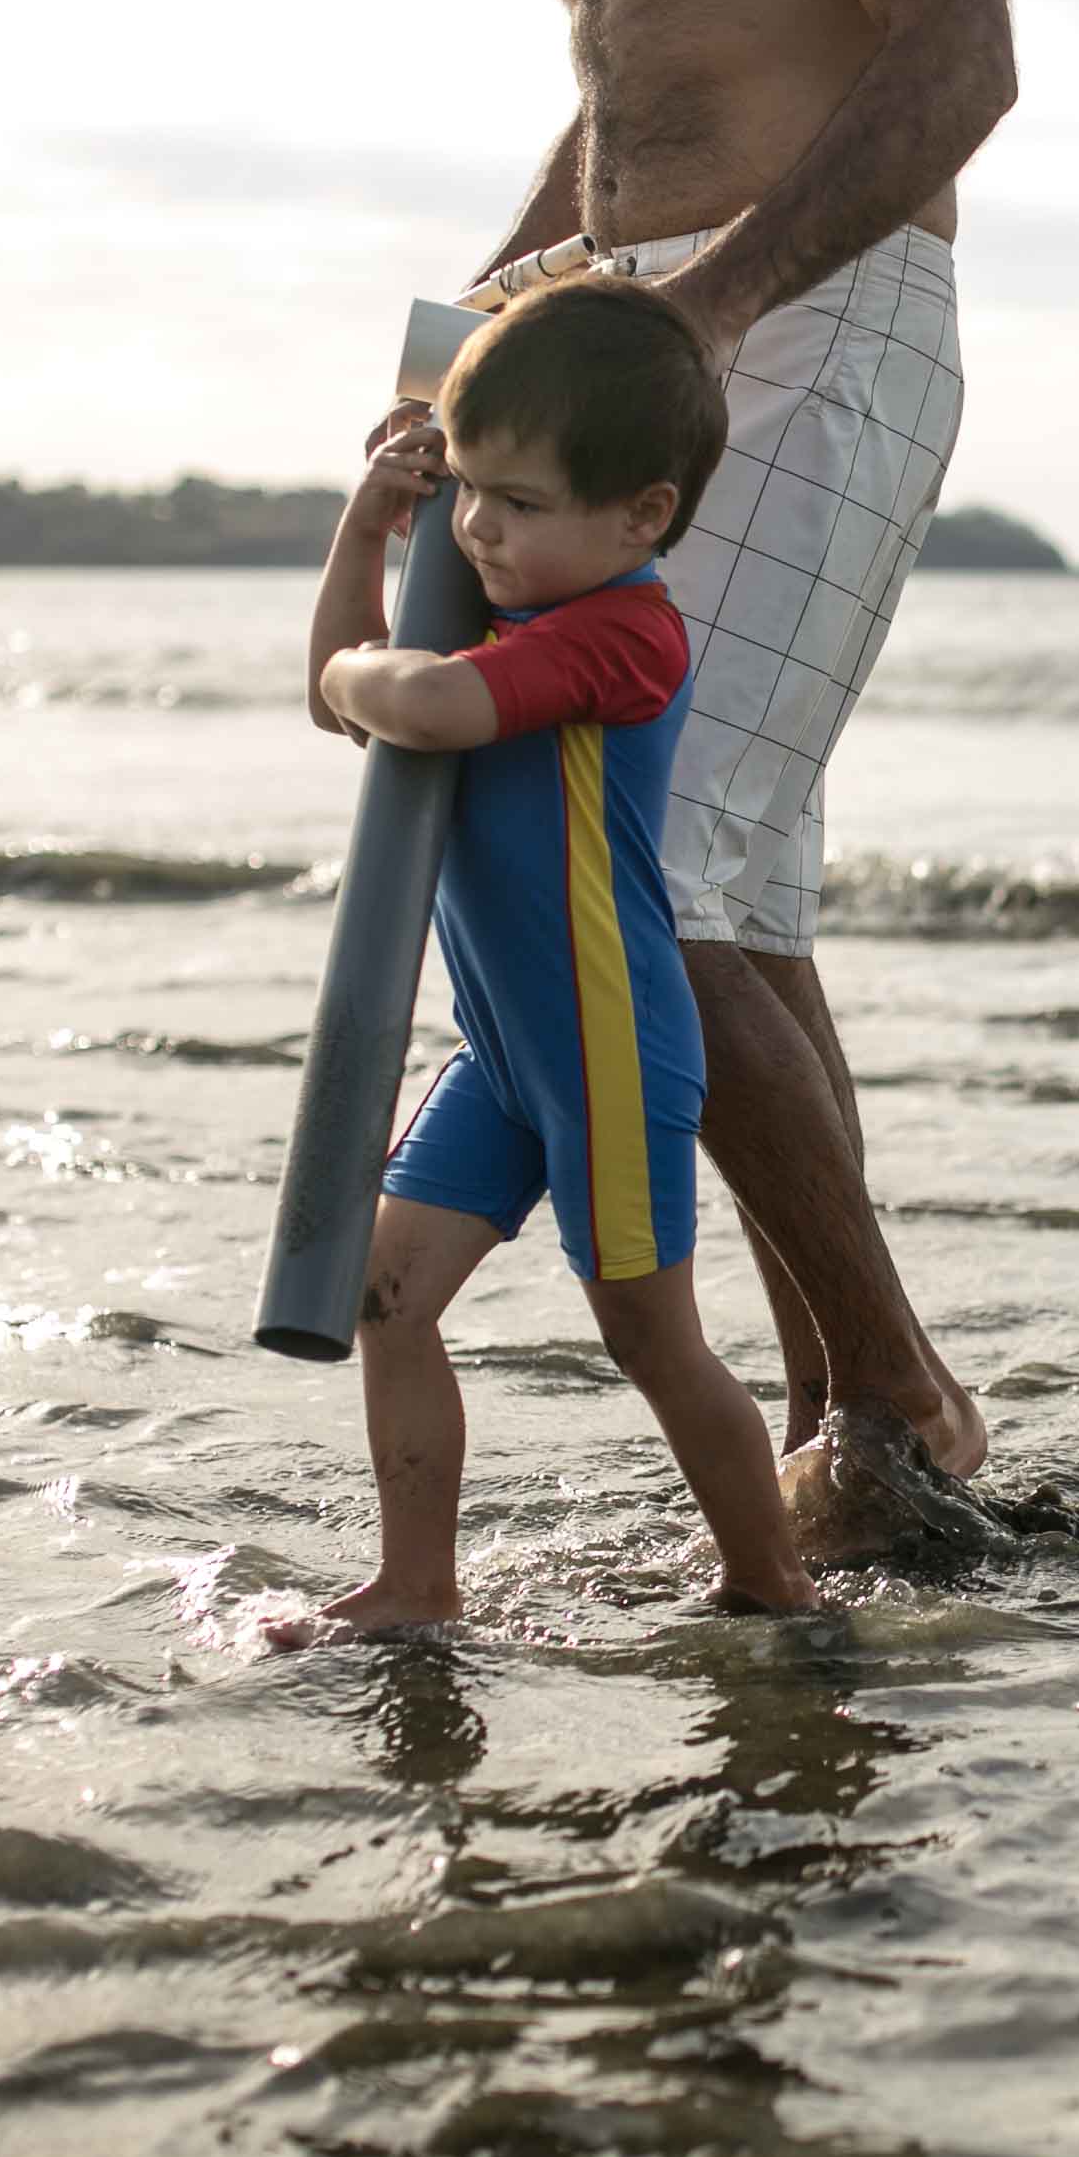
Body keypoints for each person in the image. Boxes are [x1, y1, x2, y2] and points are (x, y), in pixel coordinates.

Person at [380, 0, 1016, 1553]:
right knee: (737, 889)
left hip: (808, 302)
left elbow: (962, 61)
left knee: (648, 868)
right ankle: (847, 1426)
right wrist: (480, 336)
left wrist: (716, 299)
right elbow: (631, 94)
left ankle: (894, 1388)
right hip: (642, 319)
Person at [274, 279, 821, 1643]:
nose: (476, 526)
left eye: (517, 502)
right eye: (466, 489)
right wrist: (367, 525)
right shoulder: (511, 609)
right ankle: (415, 1586)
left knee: (649, 1338)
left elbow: (420, 703)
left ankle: (775, 1586)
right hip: (506, 1054)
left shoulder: (624, 634)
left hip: (609, 1052)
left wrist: (356, 674)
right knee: (385, 1299)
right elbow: (347, 692)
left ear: (641, 514)